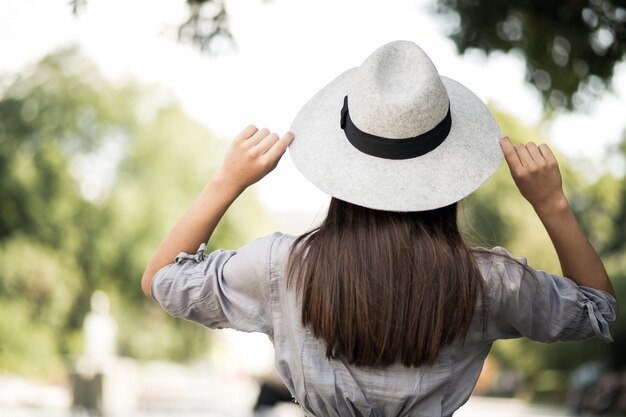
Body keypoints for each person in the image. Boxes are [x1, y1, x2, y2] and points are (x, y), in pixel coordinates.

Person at [141, 41, 617, 416]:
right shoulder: (489, 281)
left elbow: (160, 279)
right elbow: (598, 308)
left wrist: (226, 182)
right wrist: (552, 204)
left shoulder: (280, 268)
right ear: (446, 166)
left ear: (344, 164)